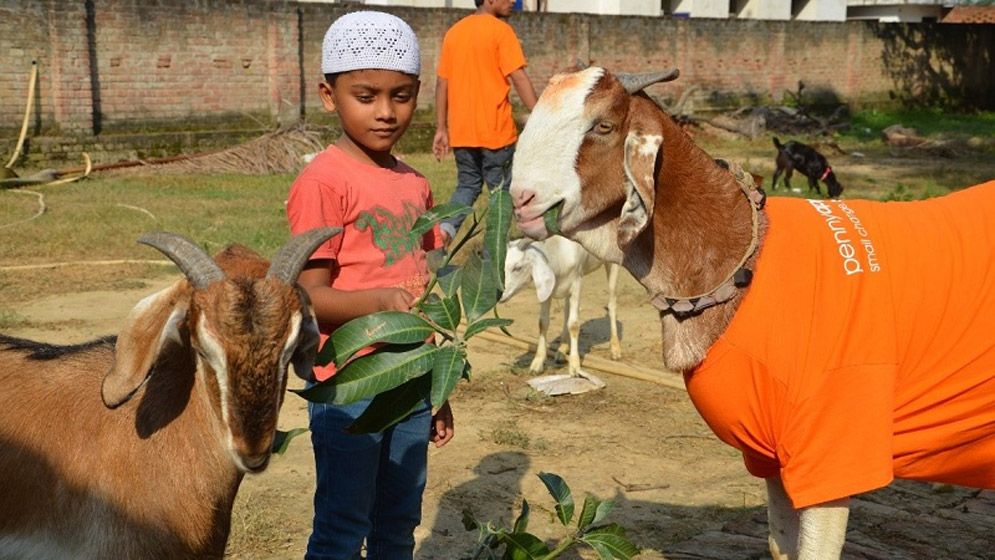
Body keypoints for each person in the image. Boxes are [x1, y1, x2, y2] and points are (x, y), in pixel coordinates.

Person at [285, 11, 455, 560]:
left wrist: (438, 388)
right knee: (341, 524)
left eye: (401, 96)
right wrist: (382, 305)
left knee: (398, 521)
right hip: (348, 386)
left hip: (410, 383)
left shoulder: (416, 184)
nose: (386, 112)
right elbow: (308, 295)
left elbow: (425, 291)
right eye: (366, 95)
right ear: (329, 95)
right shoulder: (323, 182)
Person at [432, 0, 538, 243]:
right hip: (495, 133)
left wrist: (441, 128)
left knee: (467, 186)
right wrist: (541, 115)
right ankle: (495, 253)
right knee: (501, 195)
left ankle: (445, 230)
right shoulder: (501, 31)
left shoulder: (454, 33)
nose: (514, 1)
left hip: (462, 133)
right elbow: (519, 78)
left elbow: (441, 83)